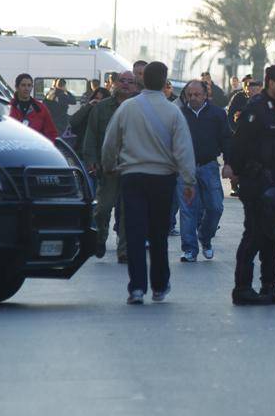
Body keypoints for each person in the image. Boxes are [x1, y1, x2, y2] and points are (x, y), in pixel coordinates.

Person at [102, 61, 196, 305]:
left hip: (132, 177)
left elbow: (110, 141)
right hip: (162, 180)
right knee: (158, 235)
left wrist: (109, 166)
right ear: (166, 83)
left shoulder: (127, 108)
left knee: (134, 233)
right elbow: (184, 150)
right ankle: (160, 285)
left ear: (143, 80)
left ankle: (136, 288)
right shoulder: (173, 112)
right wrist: (189, 182)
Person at [230, 64, 275, 305]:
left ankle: (269, 286)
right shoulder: (256, 110)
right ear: (272, 83)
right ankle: (243, 288)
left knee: (273, 237)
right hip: (255, 183)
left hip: (272, 183)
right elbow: (239, 145)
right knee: (254, 235)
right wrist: (235, 171)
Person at [83, 71, 139, 260]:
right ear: (115, 83)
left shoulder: (139, 108)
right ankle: (100, 238)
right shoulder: (102, 108)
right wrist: (91, 160)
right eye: (122, 81)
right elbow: (91, 135)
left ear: (136, 86)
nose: (125, 85)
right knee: (103, 209)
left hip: (132, 167)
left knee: (128, 211)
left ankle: (124, 250)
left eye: (130, 82)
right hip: (107, 167)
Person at [176, 80, 232, 262]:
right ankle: (190, 249)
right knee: (187, 210)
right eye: (189, 95)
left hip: (209, 166)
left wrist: (229, 164)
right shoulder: (178, 114)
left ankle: (205, 238)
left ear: (205, 94)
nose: (193, 98)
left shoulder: (217, 114)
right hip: (184, 169)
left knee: (215, 207)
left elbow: (226, 138)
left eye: (196, 94)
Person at [9, 73, 58, 141]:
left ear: (32, 87)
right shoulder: (8, 107)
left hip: (35, 149)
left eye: (29, 85)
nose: (26, 88)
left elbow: (51, 133)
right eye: (23, 85)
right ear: (17, 87)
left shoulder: (41, 108)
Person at [69, 86, 109, 156]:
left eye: (102, 100)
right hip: (83, 150)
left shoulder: (109, 113)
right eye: (96, 99)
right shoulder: (88, 110)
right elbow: (73, 121)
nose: (98, 102)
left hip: (102, 152)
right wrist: (88, 106)